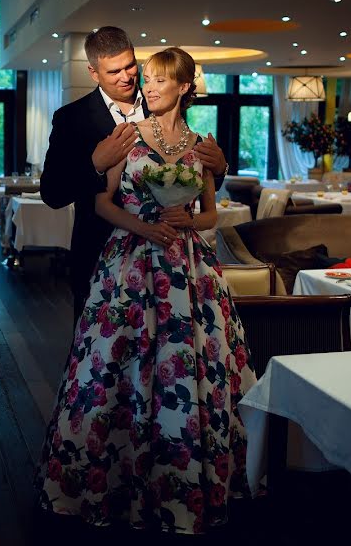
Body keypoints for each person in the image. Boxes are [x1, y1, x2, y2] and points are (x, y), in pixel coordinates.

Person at [36, 47, 256, 535]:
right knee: (116, 367)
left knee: (192, 366)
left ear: (182, 87)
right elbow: (100, 203)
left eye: (156, 79)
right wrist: (143, 225)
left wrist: (189, 220)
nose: (145, 86)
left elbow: (211, 215)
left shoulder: (201, 146)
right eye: (143, 78)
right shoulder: (126, 136)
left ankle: (186, 475)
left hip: (188, 270)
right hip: (128, 264)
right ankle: (113, 475)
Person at [40, 27, 228, 324]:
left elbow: (183, 176)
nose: (127, 76)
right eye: (114, 71)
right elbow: (52, 194)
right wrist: (95, 165)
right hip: (98, 251)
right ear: (93, 72)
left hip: (167, 255)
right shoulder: (71, 119)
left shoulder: (161, 100)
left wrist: (219, 169)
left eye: (130, 65)